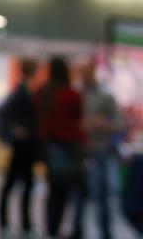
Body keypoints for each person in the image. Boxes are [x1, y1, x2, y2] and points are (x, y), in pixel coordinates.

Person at [36, 56, 84, 239]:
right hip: (70, 147)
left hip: (50, 146)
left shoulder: (43, 93)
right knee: (71, 191)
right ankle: (69, 229)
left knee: (54, 190)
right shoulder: (71, 94)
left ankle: (52, 229)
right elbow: (78, 117)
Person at [0, 57, 40, 239]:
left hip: (25, 146)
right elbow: (2, 114)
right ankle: (15, 222)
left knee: (20, 183)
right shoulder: (22, 91)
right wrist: (14, 131)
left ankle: (19, 222)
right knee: (19, 183)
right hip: (23, 145)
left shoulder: (25, 90)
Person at [75, 62, 121, 239]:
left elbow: (119, 123)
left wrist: (104, 124)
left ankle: (105, 232)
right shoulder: (76, 95)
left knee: (101, 196)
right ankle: (77, 230)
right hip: (80, 151)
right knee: (78, 196)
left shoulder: (105, 97)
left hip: (99, 151)